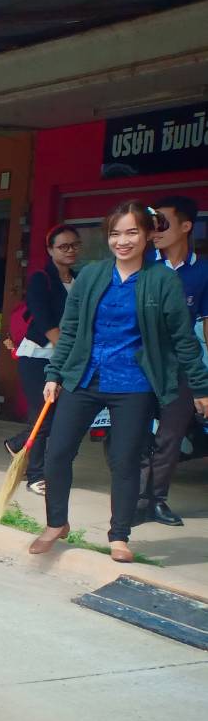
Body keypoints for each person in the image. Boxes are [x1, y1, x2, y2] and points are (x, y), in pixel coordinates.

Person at [32, 201, 208, 564]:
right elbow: (70, 332)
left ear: (146, 235)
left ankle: (119, 535)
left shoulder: (162, 281)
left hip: (133, 384)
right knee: (58, 451)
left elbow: (182, 338)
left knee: (125, 461)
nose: (122, 241)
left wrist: (201, 386)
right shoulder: (93, 275)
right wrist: (54, 375)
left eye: (131, 232)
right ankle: (55, 523)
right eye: (115, 233)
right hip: (84, 378)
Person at [137, 195, 208, 526]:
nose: (156, 229)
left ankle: (157, 501)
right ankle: (134, 500)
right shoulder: (142, 265)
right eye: (153, 224)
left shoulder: (203, 272)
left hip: (180, 367)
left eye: (163, 222)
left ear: (186, 226)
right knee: (134, 433)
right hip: (138, 365)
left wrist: (203, 382)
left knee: (170, 436)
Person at [4, 225, 81, 494]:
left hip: (66, 357)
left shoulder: (79, 279)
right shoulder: (41, 278)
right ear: (50, 250)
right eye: (63, 246)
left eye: (74, 245)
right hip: (39, 356)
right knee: (43, 416)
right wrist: (67, 353)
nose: (70, 250)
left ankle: (17, 444)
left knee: (58, 416)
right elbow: (45, 319)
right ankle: (35, 475)